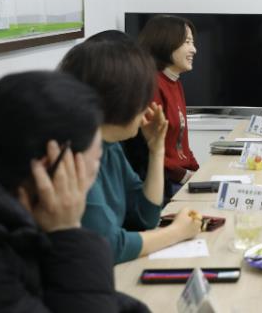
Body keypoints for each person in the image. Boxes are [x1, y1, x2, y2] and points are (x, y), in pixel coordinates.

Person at [0, 71, 148, 312]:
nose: (96, 170)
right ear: (56, 166)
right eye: (96, 158)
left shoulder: (17, 217)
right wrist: (68, 232)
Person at [59, 34, 202, 264]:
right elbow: (109, 246)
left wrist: (156, 149)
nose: (148, 104)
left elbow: (145, 216)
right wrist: (177, 232)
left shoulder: (110, 145)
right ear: (119, 98)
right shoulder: (76, 154)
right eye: (143, 94)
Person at [136, 15, 199, 199]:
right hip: (165, 183)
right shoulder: (152, 85)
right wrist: (185, 176)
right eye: (187, 42)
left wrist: (198, 171)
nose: (194, 49)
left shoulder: (174, 81)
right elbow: (150, 148)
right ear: (165, 43)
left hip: (179, 178)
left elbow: (181, 143)